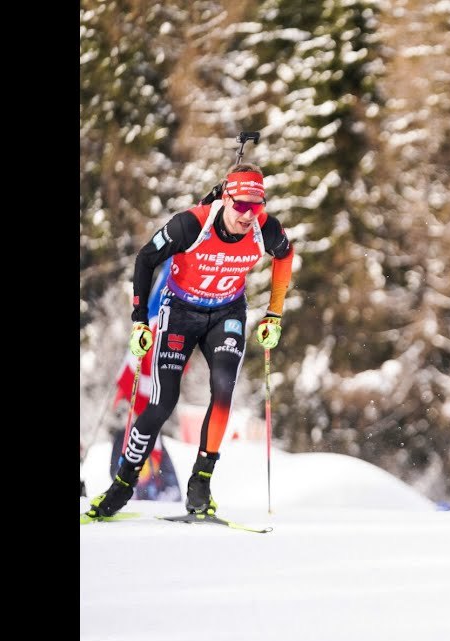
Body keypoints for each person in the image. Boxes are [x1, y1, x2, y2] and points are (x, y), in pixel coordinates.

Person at [84, 163, 294, 520]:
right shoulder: (191, 224)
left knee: (223, 389)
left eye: (256, 206)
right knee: (163, 401)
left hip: (226, 313)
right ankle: (122, 484)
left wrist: (274, 313)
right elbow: (145, 259)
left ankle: (200, 485)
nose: (248, 214)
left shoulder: (266, 229)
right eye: (241, 205)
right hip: (180, 311)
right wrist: (138, 321)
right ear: (226, 199)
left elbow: (285, 258)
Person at [107, 258, 183, 502]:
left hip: (161, 503)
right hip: (135, 500)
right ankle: (132, 489)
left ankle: (152, 490)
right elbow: (113, 468)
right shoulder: (123, 434)